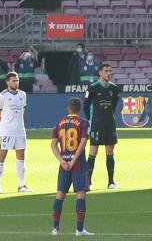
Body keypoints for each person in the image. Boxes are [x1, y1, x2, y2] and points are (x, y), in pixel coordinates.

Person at [50, 97, 94, 236]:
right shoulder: (83, 123)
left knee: (60, 195)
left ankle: (55, 229)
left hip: (63, 164)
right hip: (78, 164)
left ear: (68, 108)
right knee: (81, 194)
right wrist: (74, 160)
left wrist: (62, 160)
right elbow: (82, 143)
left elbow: (53, 144)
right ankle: (79, 230)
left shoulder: (59, 123)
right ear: (79, 109)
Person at [84, 62, 122, 190]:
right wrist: (91, 120)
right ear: (100, 73)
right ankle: (88, 183)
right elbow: (85, 106)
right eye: (106, 71)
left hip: (109, 123)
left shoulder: (114, 88)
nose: (108, 73)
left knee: (110, 151)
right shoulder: (93, 88)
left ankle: (111, 182)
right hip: (96, 124)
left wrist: (109, 116)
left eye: (110, 71)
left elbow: (115, 104)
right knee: (93, 150)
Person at [0, 71, 30, 194]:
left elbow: (23, 110)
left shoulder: (23, 95)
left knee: (21, 158)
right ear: (8, 82)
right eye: (14, 81)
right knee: (1, 157)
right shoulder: (2, 96)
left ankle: (21, 185)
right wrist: (4, 126)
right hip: (6, 132)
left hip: (20, 131)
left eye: (17, 80)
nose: (16, 82)